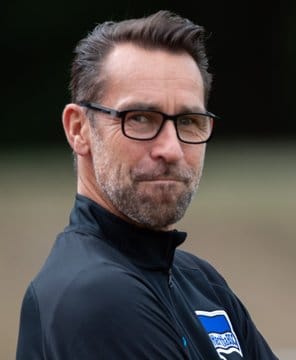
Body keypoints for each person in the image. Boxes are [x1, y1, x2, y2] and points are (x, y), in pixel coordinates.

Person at [17, 10, 278, 359]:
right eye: (140, 118)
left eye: (188, 121)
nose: (171, 149)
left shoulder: (201, 283)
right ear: (79, 129)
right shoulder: (94, 295)